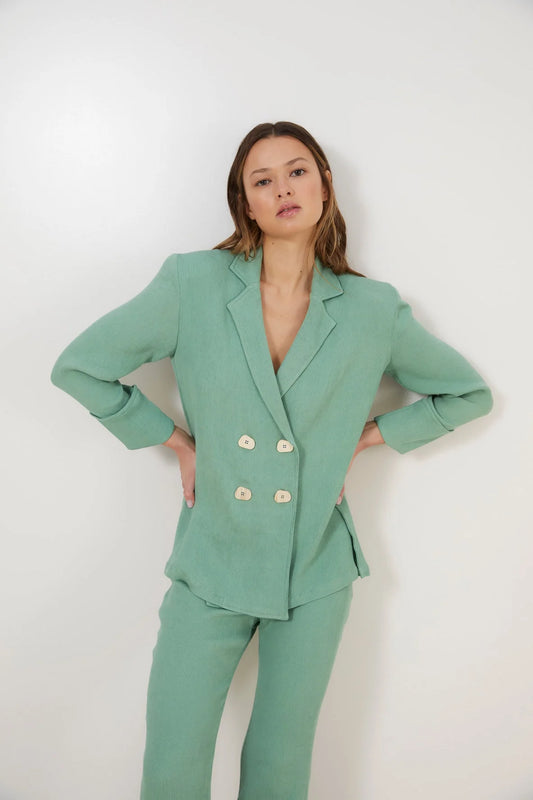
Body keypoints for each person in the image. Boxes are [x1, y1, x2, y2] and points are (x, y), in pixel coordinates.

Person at [50, 120, 494, 799]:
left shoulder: (372, 309)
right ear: (245, 203)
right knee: (172, 765)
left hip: (314, 565)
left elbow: (466, 394)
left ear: (324, 187)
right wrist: (174, 441)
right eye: (263, 180)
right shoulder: (192, 283)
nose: (283, 188)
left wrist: (364, 437)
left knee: (280, 770)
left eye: (297, 171)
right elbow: (79, 367)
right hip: (211, 559)